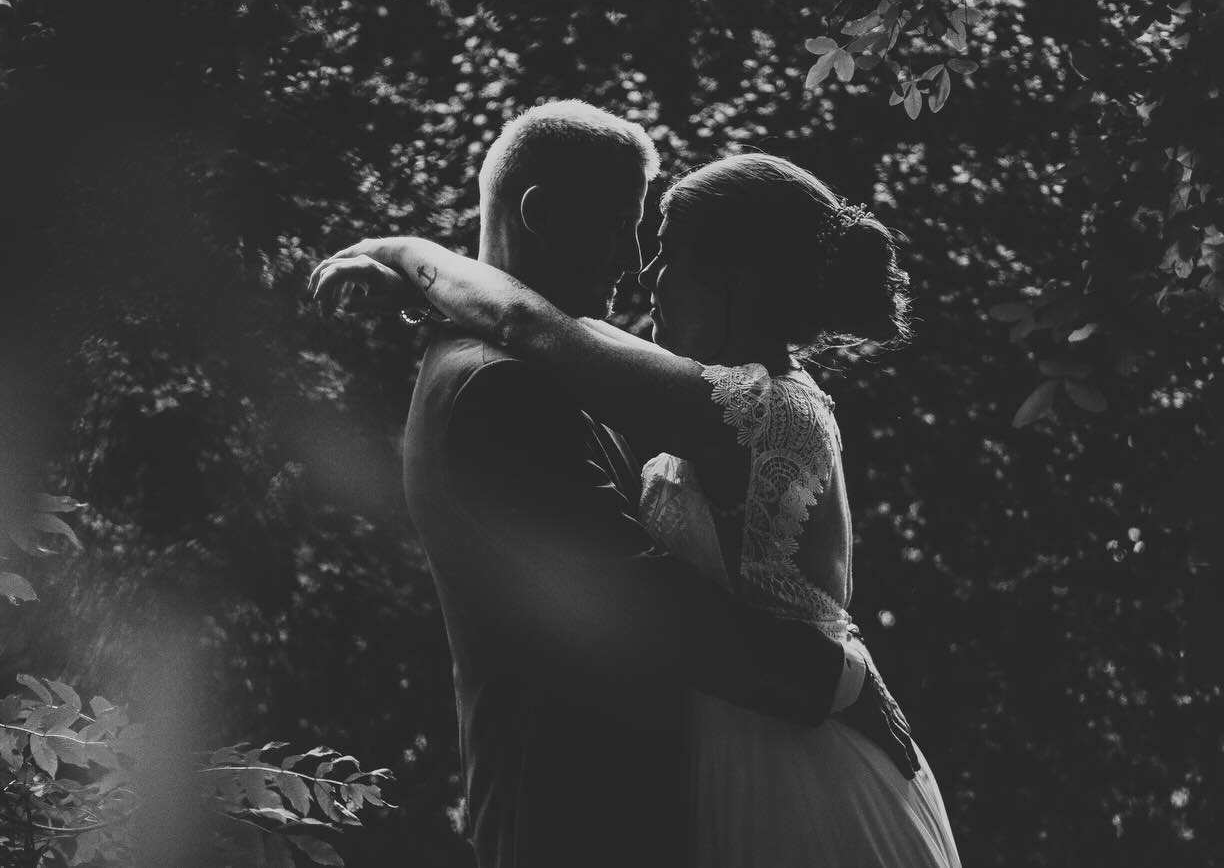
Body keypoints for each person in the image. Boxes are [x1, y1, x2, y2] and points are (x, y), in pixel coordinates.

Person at [310, 102, 930, 868]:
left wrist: (399, 251)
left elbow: (532, 323)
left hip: (767, 768)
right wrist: (839, 677)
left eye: (663, 248)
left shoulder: (725, 401)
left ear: (733, 281)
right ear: (541, 214)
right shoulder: (503, 388)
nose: (640, 268)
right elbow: (641, 604)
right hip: (583, 812)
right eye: (625, 229)